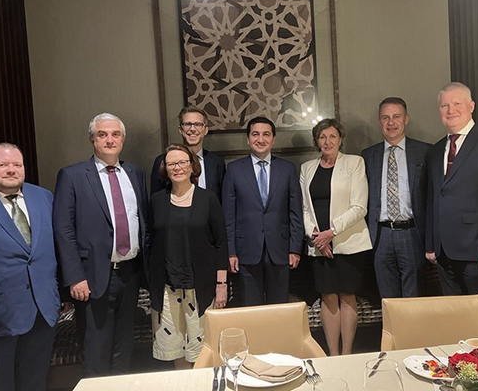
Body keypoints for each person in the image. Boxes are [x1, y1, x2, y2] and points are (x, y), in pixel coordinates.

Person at [53, 113, 149, 376]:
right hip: (92, 277)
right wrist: (74, 277)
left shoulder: (135, 174)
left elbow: (143, 222)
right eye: (102, 134)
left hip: (130, 274)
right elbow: (63, 230)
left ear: (123, 139)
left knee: (124, 347)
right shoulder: (72, 175)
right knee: (96, 349)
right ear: (92, 139)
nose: (109, 140)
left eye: (115, 134)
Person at [425, 82, 478, 336]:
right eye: (444, 105)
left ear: (471, 106)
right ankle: (461, 359)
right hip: (444, 252)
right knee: (456, 320)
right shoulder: (436, 150)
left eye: (457, 104)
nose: (450, 110)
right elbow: (433, 198)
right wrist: (431, 244)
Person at [0, 143, 61, 391]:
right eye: (2, 165)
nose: (11, 170)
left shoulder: (43, 197)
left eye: (17, 165)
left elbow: (55, 249)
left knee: (35, 383)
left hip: (43, 311)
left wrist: (60, 295)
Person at [149, 144, 228, 369]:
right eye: (171, 163)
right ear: (165, 169)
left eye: (182, 162)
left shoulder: (208, 199)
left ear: (192, 166)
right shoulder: (157, 200)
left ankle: (203, 383)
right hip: (167, 288)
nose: (177, 168)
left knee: (202, 349)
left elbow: (221, 243)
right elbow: (150, 240)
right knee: (175, 347)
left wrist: (221, 285)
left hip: (201, 287)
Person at [300, 119, 372, 355]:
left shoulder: (354, 163)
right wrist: (317, 237)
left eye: (332, 136)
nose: (327, 141)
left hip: (349, 243)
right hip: (319, 246)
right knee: (328, 296)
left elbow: (359, 207)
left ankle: (347, 354)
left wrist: (331, 233)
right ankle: (333, 355)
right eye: (322, 137)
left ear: (340, 139)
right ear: (316, 141)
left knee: (347, 296)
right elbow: (304, 208)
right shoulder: (307, 168)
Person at [222, 116, 303, 306]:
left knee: (279, 308)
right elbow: (228, 216)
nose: (260, 139)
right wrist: (231, 252)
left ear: (273, 139)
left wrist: (295, 248)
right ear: (248, 139)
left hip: (280, 251)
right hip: (246, 251)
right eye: (255, 134)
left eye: (266, 134)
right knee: (251, 308)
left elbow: (295, 212)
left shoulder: (287, 169)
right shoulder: (234, 169)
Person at [362, 97, 431, 299]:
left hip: (412, 233)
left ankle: (413, 323)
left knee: (414, 296)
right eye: (385, 117)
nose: (391, 122)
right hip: (380, 235)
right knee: (387, 298)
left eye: (396, 117)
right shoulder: (368, 155)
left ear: (406, 119)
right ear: (379, 121)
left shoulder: (425, 152)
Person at [150, 106, 225, 199]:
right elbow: (156, 200)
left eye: (198, 124)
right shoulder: (163, 161)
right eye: (187, 124)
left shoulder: (216, 162)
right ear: (180, 130)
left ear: (206, 130)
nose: (193, 129)